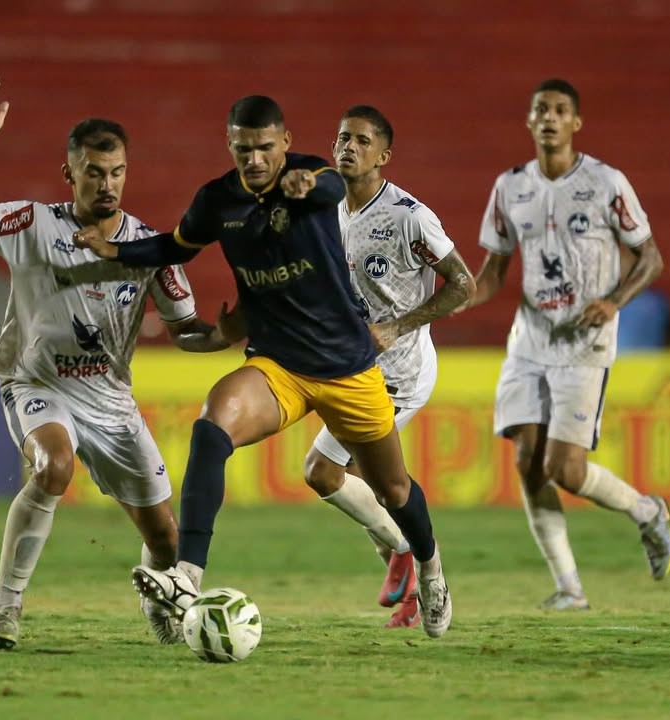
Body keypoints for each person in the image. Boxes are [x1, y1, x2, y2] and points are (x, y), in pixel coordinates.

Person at [74, 95, 453, 638]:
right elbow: (176, 246)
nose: (255, 159)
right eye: (244, 148)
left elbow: (325, 184)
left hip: (346, 366)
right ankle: (186, 574)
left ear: (286, 144)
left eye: (266, 148)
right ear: (231, 145)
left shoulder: (312, 180)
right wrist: (116, 253)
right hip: (279, 365)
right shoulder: (217, 201)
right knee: (212, 425)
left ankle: (432, 568)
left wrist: (305, 187)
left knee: (393, 489)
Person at [0, 70, 230, 649]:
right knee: (54, 467)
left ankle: (158, 598)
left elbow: (186, 332)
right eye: (94, 173)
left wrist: (225, 334)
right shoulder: (32, 224)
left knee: (166, 540)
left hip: (111, 402)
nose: (107, 184)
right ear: (69, 174)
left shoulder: (151, 250)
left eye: (117, 172)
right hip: (36, 382)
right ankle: (6, 608)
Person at [462, 78, 670, 610]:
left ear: (576, 123)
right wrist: (445, 303)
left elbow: (650, 258)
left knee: (567, 471)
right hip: (529, 340)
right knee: (527, 460)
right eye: (541, 110)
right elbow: (491, 275)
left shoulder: (606, 183)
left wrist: (615, 301)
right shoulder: (510, 187)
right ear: (529, 122)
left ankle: (647, 512)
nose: (549, 118)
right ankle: (569, 588)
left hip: (585, 343)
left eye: (560, 110)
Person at [304, 105, 474, 628]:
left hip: (401, 373)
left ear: (383, 155)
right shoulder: (327, 210)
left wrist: (396, 327)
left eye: (360, 140)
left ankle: (428, 572)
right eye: (341, 138)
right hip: (350, 371)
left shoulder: (409, 217)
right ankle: (407, 564)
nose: (346, 147)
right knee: (340, 475)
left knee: (356, 478)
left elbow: (463, 285)